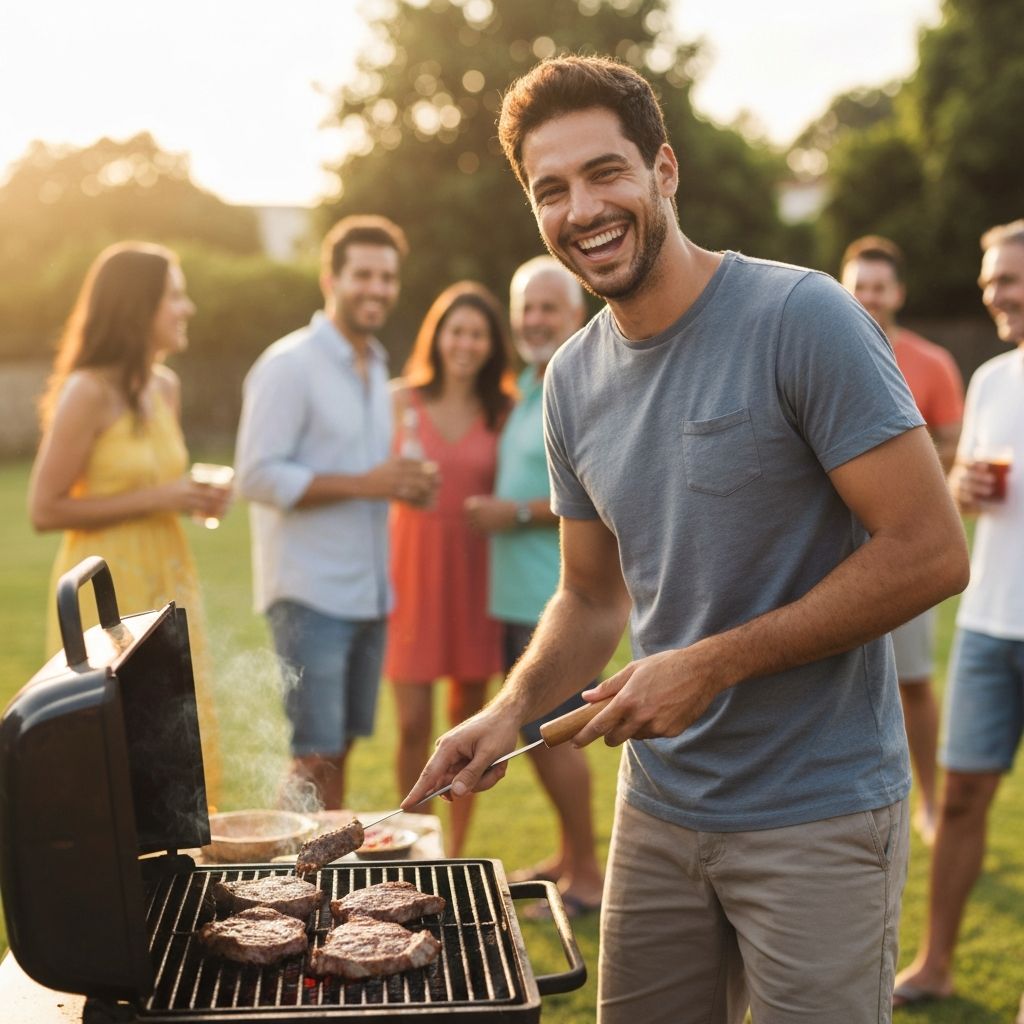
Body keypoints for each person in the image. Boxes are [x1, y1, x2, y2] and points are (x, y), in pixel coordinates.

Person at [403, 56, 969, 1024]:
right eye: (551, 189)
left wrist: (709, 664)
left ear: (663, 169)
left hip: (817, 810)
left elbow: (929, 550)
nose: (582, 209)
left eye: (605, 172)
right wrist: (513, 711)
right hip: (659, 811)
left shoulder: (802, 317)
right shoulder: (571, 380)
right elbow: (590, 596)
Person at [234, 215, 437, 811]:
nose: (377, 288)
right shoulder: (288, 365)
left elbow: (365, 475)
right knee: (313, 757)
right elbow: (255, 475)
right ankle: (280, 869)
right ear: (331, 279)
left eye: (387, 277)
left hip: (369, 595)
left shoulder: (375, 366)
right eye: (363, 275)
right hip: (310, 594)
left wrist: (400, 485)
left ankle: (323, 863)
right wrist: (366, 483)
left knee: (338, 752)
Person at [28, 241, 229, 803]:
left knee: (173, 735)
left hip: (167, 572)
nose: (188, 309)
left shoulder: (166, 386)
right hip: (104, 587)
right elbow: (44, 508)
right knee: (116, 745)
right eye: (175, 297)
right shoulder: (87, 391)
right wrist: (160, 495)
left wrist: (192, 499)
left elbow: (157, 488)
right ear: (138, 307)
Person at [892, 219, 1024, 1009]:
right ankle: (936, 962)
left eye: (1007, 279)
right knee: (962, 796)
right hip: (986, 626)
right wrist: (961, 490)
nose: (994, 295)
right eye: (988, 282)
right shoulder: (992, 381)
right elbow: (959, 493)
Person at [464, 255, 604, 915]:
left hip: (558, 597)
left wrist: (512, 513)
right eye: (527, 308)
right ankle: (566, 858)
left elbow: (594, 494)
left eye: (550, 307)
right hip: (515, 595)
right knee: (535, 738)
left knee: (555, 736)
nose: (536, 320)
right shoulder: (526, 383)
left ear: (577, 313)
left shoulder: (581, 382)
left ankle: (590, 877)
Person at [840, 235, 965, 845]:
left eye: (879, 287)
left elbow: (954, 446)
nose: (869, 297)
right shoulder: (819, 354)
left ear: (899, 294)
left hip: (905, 544)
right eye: (859, 287)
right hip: (832, 548)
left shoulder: (932, 362)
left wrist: (890, 470)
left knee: (912, 680)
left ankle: (931, 800)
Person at [386, 281, 514, 856]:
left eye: (478, 334)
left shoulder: (505, 409)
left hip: (475, 576)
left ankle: (454, 852)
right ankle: (416, 844)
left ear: (492, 345)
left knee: (468, 725)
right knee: (414, 723)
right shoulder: (400, 401)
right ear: (436, 337)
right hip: (412, 573)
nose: (465, 343)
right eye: (456, 331)